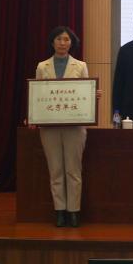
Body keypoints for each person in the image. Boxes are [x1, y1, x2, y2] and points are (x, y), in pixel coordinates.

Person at [34, 26, 98, 227]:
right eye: (59, 39)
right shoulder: (42, 66)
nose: (62, 43)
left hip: (75, 127)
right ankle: (60, 211)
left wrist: (93, 95)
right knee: (55, 170)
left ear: (72, 43)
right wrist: (33, 115)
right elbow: (37, 96)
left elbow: (85, 94)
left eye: (66, 39)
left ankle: (73, 211)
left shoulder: (81, 66)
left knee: (73, 170)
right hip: (49, 127)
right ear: (52, 42)